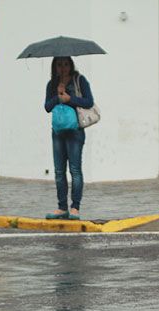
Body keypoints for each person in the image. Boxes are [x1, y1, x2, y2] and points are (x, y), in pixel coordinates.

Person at [44, 56, 94, 220]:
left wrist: (69, 98)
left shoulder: (80, 80)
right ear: (55, 66)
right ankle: (62, 207)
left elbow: (89, 102)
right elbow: (47, 107)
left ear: (71, 65)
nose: (63, 68)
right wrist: (58, 96)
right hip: (58, 132)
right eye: (59, 64)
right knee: (59, 171)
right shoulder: (52, 84)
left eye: (66, 64)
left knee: (75, 170)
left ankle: (75, 207)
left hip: (75, 131)